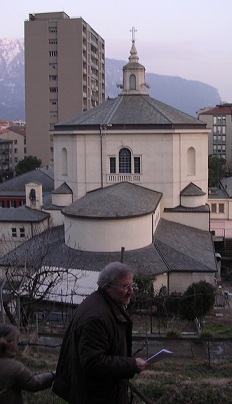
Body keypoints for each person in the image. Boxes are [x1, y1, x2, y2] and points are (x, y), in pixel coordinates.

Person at [53, 261, 148, 404]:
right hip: (96, 396)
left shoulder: (104, 304)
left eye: (131, 286)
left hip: (99, 393)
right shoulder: (97, 317)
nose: (131, 291)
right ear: (108, 287)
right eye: (125, 286)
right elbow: (94, 362)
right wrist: (131, 364)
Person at [0, 323, 55, 404]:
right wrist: (53, 375)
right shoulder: (14, 368)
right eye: (16, 340)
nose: (18, 344)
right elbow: (34, 384)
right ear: (10, 343)